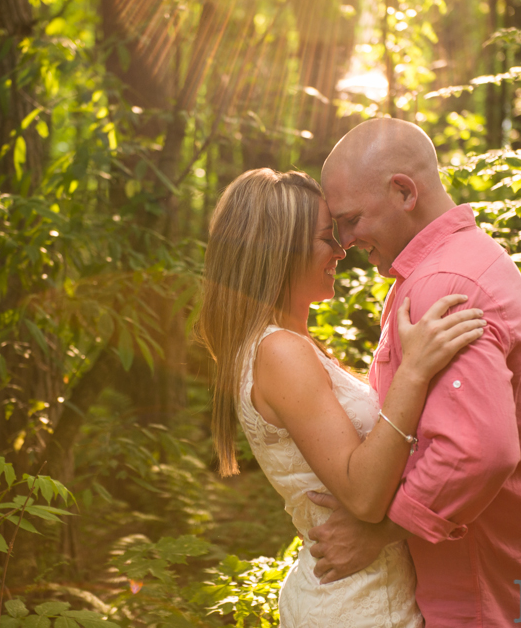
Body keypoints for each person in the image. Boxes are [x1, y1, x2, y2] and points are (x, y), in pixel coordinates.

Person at [309, 118, 521, 627]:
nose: (343, 242)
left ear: (403, 192)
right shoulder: (454, 264)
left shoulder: (445, 281)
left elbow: (478, 451)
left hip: (487, 599)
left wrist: (380, 531)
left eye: (350, 220)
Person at [195, 168, 488, 627]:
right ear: (278, 251)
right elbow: (364, 495)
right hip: (357, 606)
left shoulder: (285, 345)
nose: (340, 249)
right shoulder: (280, 352)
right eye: (324, 237)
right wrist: (413, 371)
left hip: (360, 590)